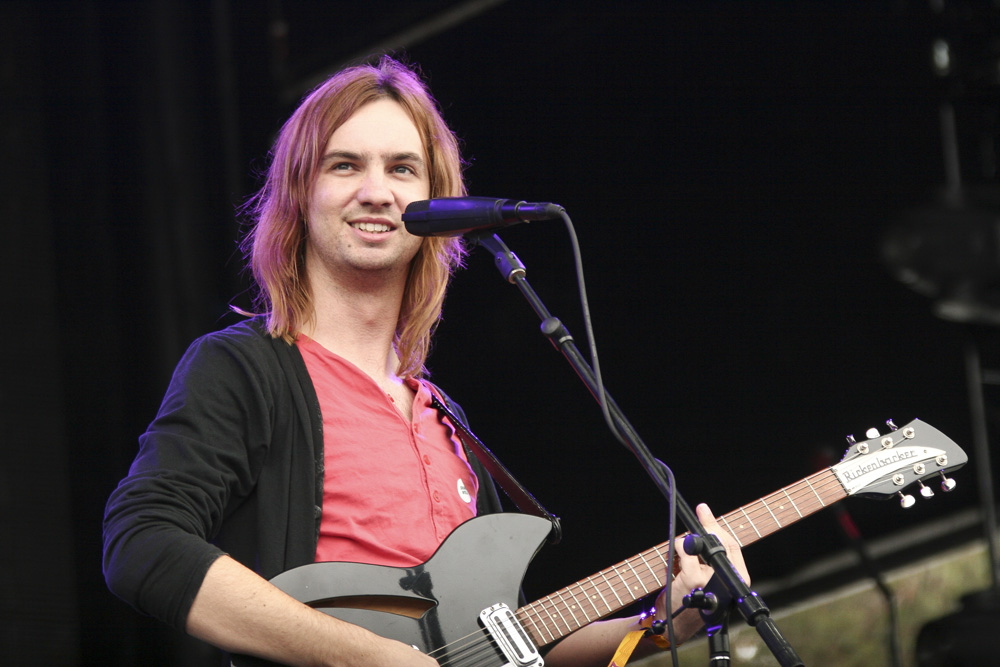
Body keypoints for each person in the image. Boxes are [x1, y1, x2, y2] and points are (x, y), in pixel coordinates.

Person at [103, 55, 749, 667]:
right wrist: (364, 654)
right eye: (345, 165)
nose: (377, 191)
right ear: (301, 194)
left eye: (402, 169)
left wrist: (665, 623)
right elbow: (142, 540)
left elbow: (508, 644)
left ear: (438, 209)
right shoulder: (244, 370)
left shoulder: (448, 423)